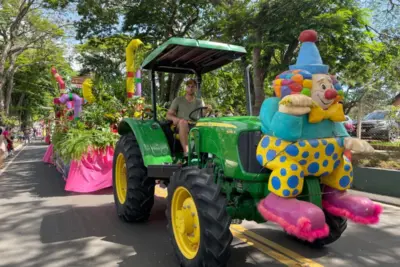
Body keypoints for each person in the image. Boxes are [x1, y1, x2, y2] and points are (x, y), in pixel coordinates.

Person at [166, 78, 211, 157]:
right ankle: (186, 151)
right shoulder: (178, 100)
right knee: (183, 122)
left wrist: (207, 110)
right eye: (188, 86)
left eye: (192, 87)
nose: (190, 88)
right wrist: (175, 119)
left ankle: (210, 154)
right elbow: (168, 115)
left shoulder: (199, 102)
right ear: (186, 88)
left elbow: (203, 115)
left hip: (195, 125)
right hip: (181, 125)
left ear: (195, 88)